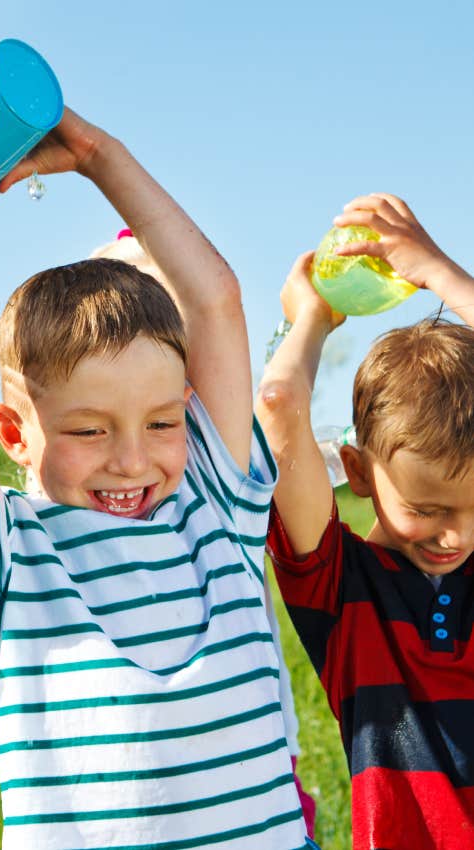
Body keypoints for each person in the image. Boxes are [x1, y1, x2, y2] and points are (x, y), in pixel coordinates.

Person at [0, 53, 315, 849]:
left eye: (163, 423)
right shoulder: (4, 555)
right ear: (14, 434)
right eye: (88, 430)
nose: (134, 461)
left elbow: (216, 300)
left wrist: (96, 156)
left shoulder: (216, 502)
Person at [256, 192, 474, 850]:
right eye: (425, 509)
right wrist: (313, 319)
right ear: (355, 470)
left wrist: (440, 272)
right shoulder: (341, 587)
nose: (456, 535)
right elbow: (277, 404)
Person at [90, 229, 317, 839]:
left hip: (248, 775)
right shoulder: (81, 477)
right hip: (122, 791)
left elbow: (222, 312)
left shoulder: (219, 474)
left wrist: (312, 321)